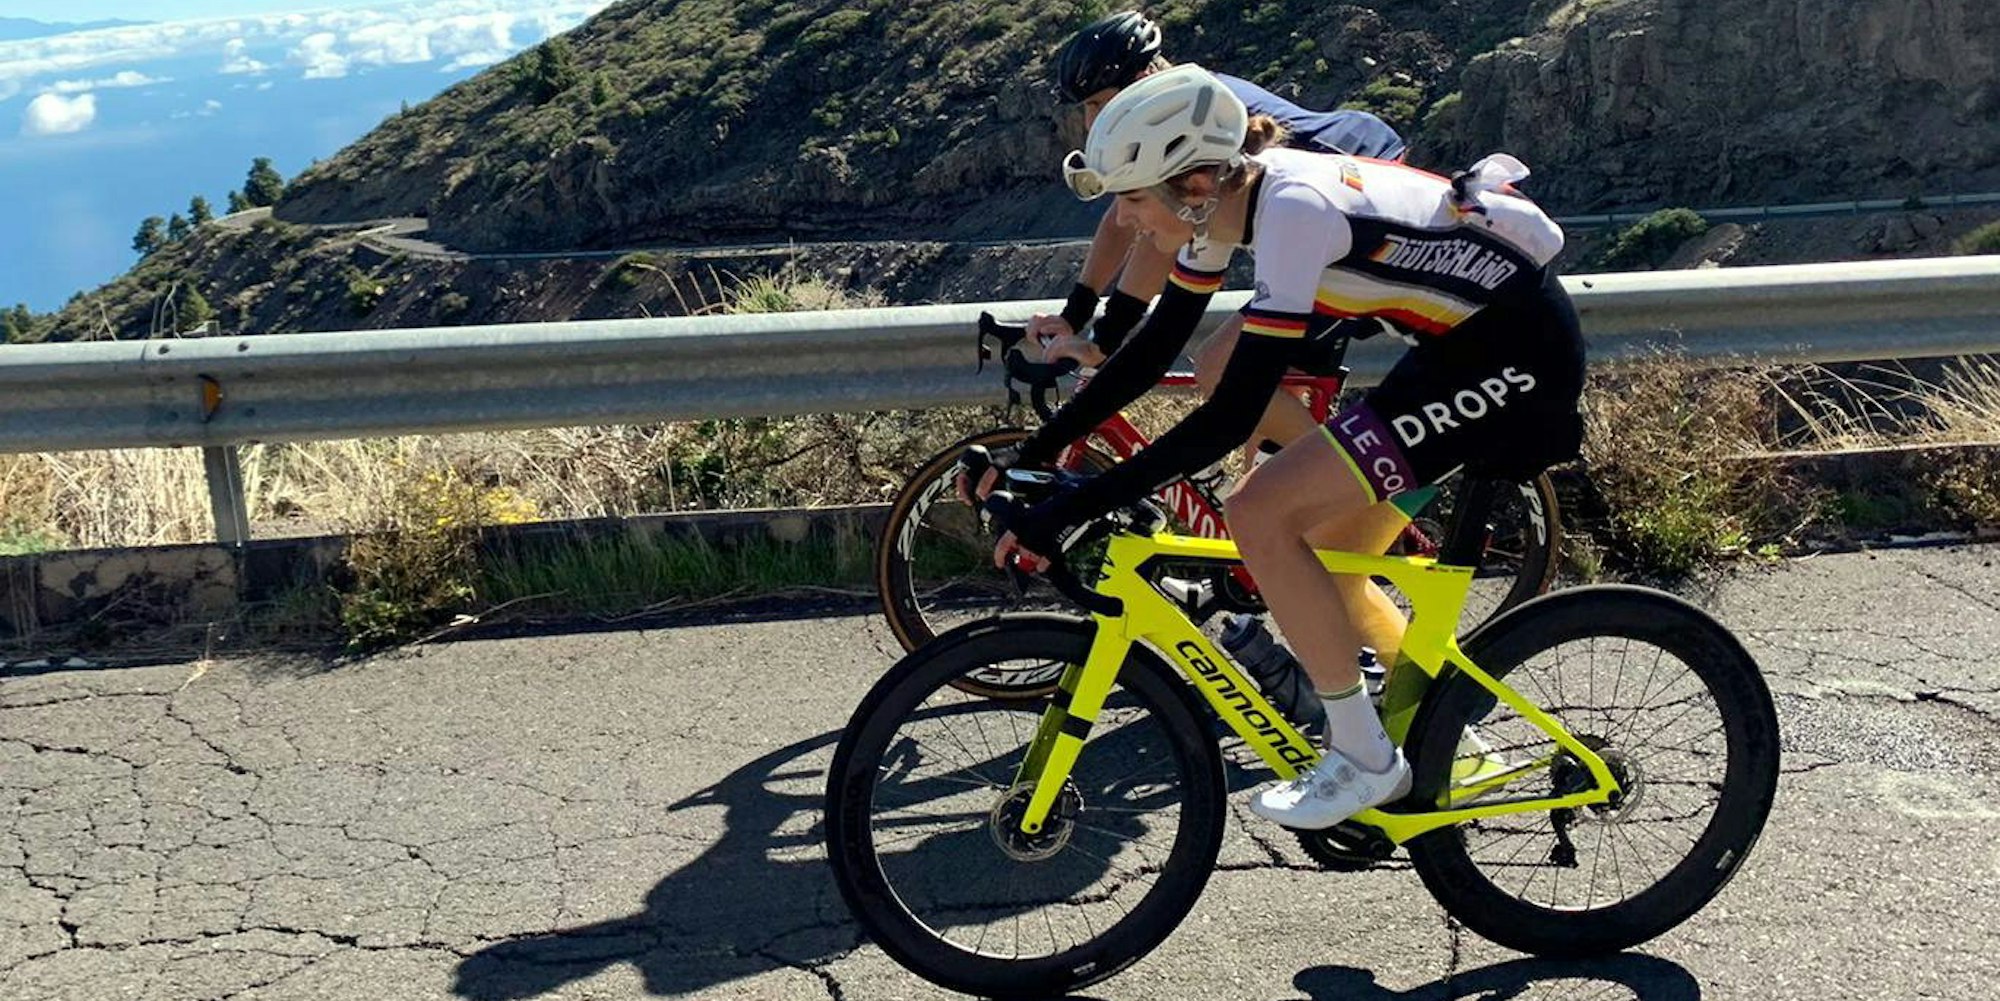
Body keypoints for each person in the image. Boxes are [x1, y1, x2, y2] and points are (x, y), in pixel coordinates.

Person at [978, 65, 1585, 830]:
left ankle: (1365, 758)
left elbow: (1231, 415)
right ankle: (1441, 740)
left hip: (1515, 364)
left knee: (1260, 513)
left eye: (1132, 199)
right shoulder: (1222, 212)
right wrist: (1040, 453)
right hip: (1456, 353)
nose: (1127, 222)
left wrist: (1082, 499)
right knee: (1324, 557)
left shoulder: (1295, 210)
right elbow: (1154, 344)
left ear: (1191, 182)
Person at [1035, 10, 1408, 371]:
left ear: (1142, 76)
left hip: (1367, 187)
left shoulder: (1195, 117)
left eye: (1097, 103)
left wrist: (1104, 341)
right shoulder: (1171, 109)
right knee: (1253, 386)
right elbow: (1123, 218)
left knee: (1219, 365)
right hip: (1329, 195)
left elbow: (1155, 244)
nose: (1089, 121)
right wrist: (1074, 316)